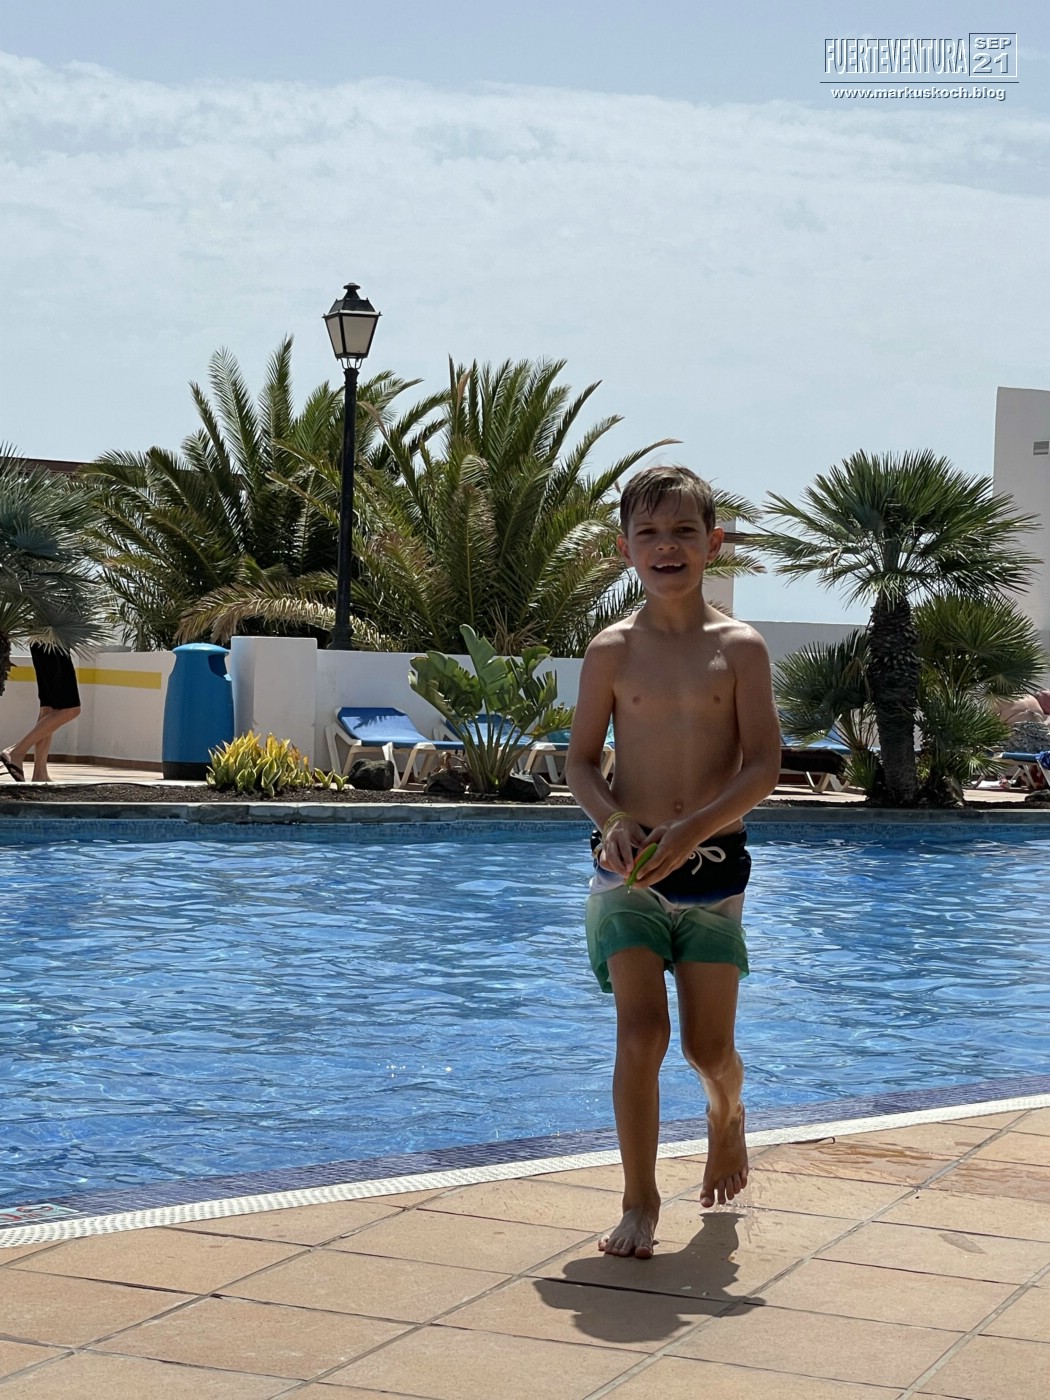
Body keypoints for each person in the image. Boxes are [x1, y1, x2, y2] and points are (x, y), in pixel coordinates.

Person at [565, 464, 781, 1260]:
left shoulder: (741, 649)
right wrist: (614, 819)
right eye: (649, 533)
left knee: (706, 1050)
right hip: (628, 871)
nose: (667, 546)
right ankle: (639, 1199)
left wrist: (692, 830)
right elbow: (580, 764)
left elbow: (764, 765)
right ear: (624, 549)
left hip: (713, 867)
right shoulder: (611, 651)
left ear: (712, 543)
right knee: (642, 1032)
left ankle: (727, 1114)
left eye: (684, 531)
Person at [1, 643, 82, 783]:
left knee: (48, 708)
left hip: (42, 641)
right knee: (71, 710)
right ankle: (16, 752)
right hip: (53, 641)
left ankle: (40, 773)